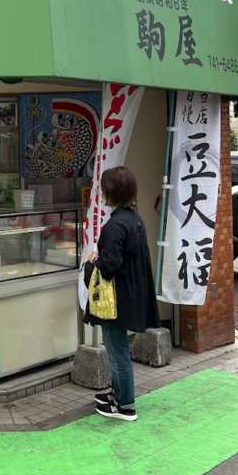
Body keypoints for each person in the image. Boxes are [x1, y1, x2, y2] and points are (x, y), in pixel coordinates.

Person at [84, 166, 160, 422]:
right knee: (118, 350)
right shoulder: (134, 219)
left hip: (114, 300)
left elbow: (109, 266)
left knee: (117, 352)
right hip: (129, 295)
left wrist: (94, 259)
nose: (102, 192)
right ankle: (117, 394)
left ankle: (125, 405)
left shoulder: (115, 225)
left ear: (111, 192)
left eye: (104, 188)